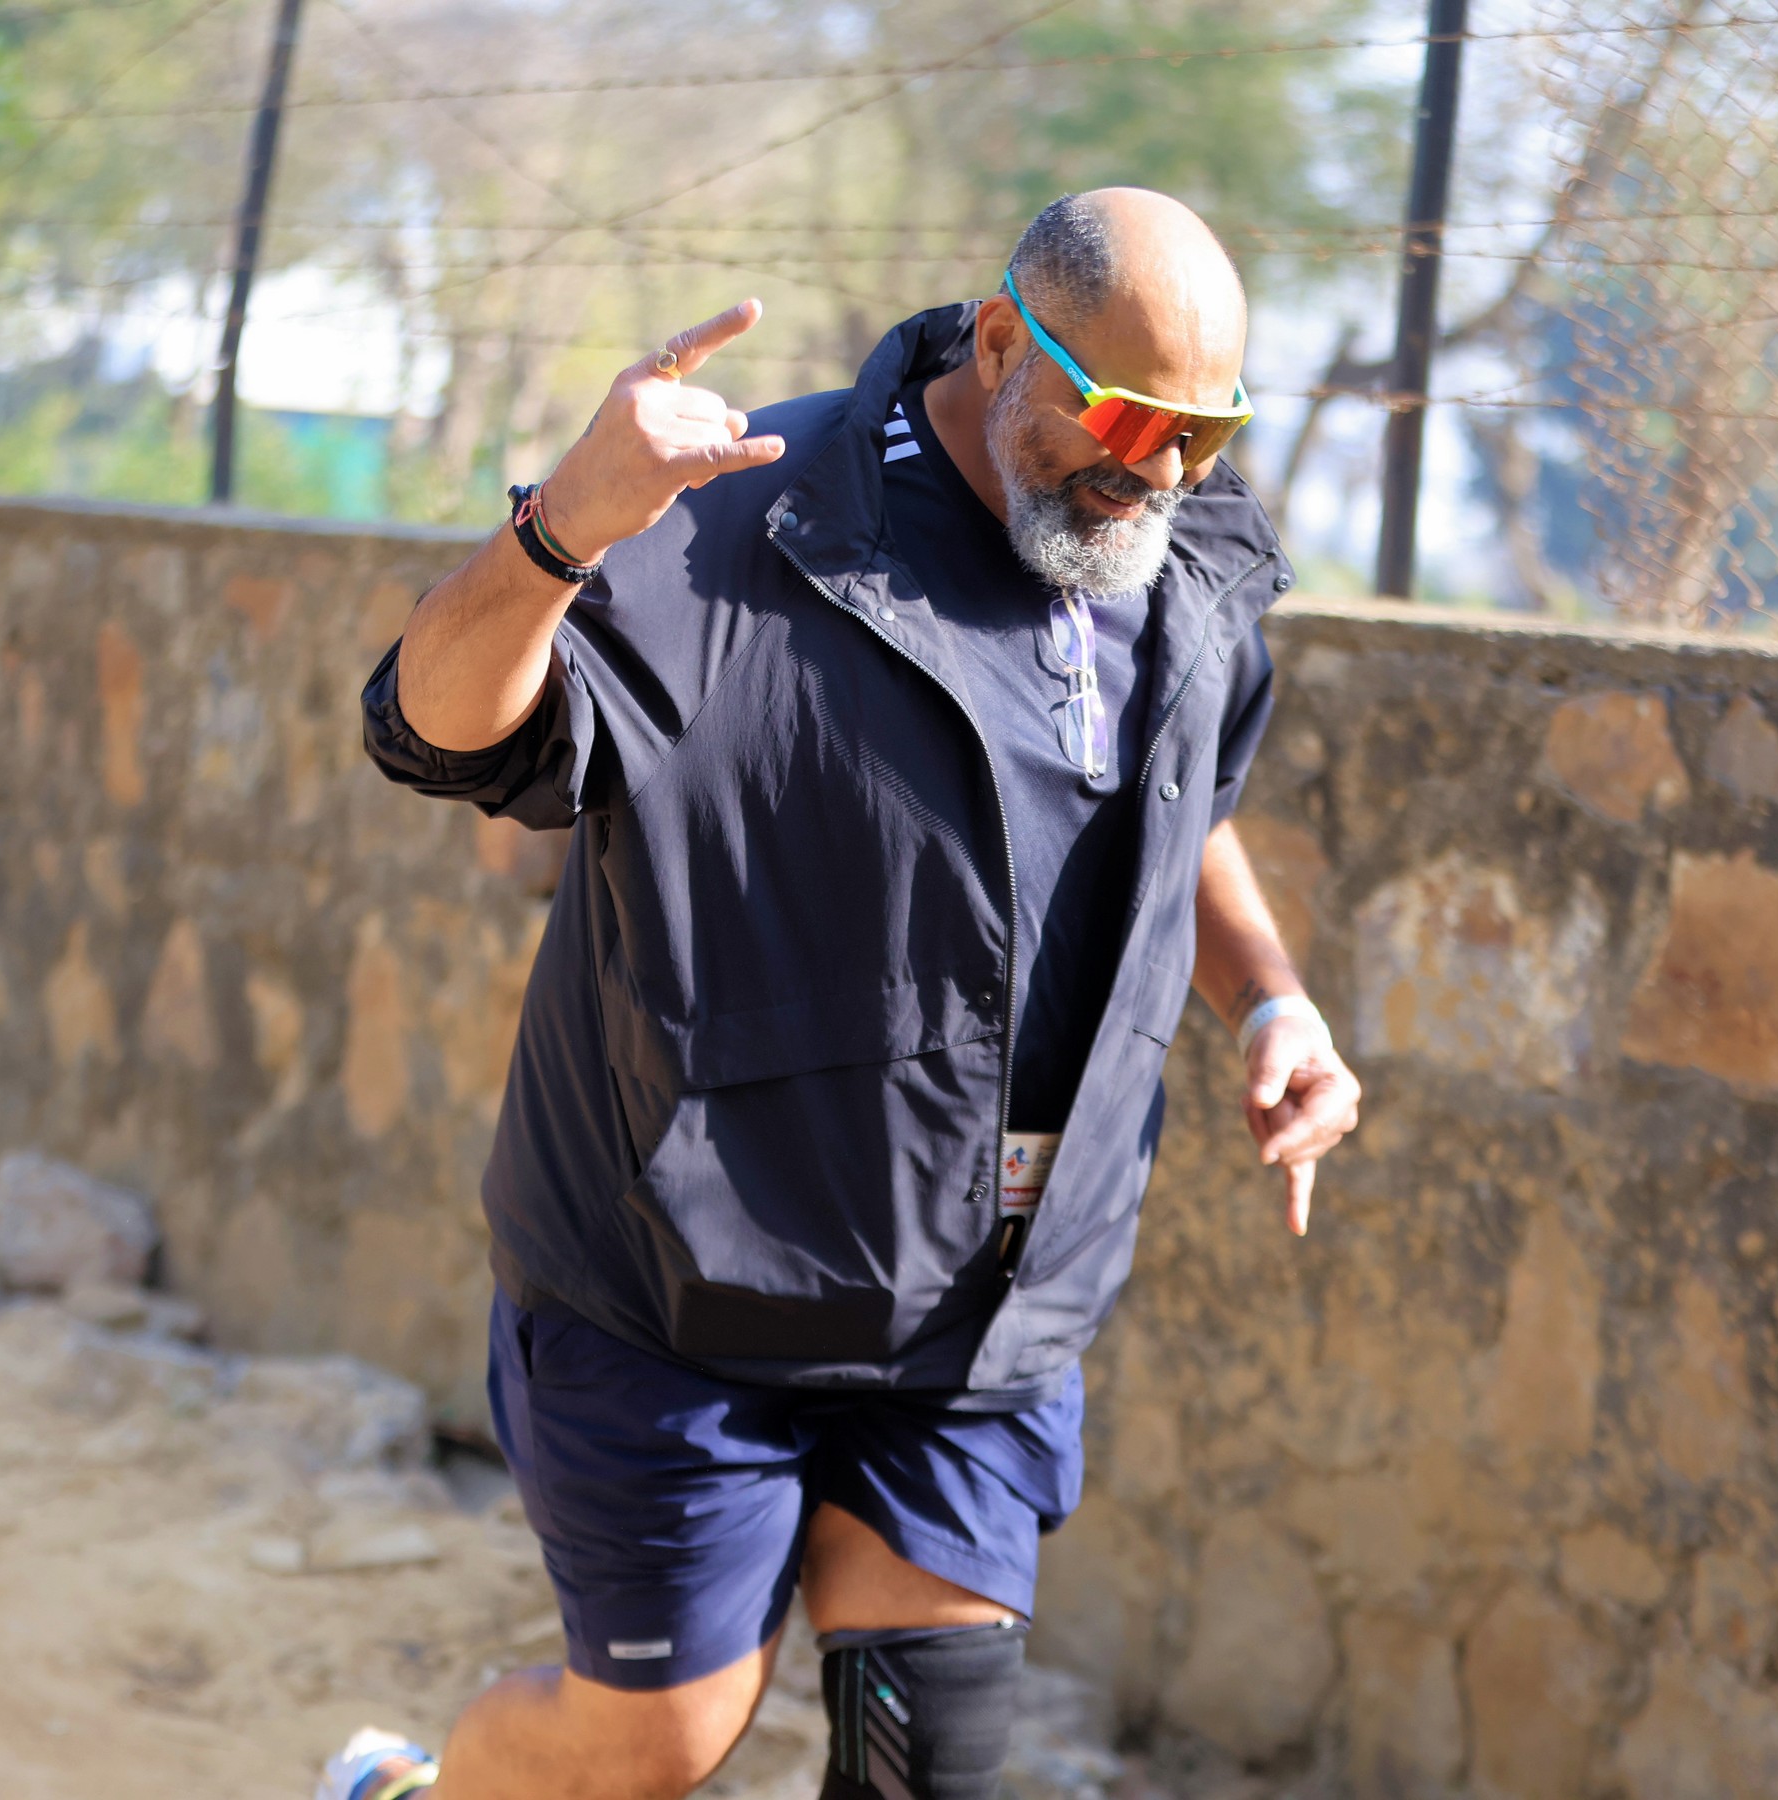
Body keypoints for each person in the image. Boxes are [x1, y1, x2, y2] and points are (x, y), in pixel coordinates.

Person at [353, 187, 1361, 1800]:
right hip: (683, 1288)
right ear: (999, 343)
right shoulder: (734, 522)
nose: (1164, 472)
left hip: (977, 1320)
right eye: (1126, 417)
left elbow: (1183, 808)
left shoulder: (1177, 559)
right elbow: (439, 729)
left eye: (1205, 431)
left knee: (925, 1767)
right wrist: (562, 531)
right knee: (654, 1741)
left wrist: (1272, 1004)